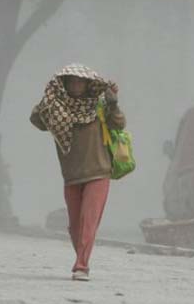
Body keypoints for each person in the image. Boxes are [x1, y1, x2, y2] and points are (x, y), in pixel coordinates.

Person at [30, 64, 126, 281]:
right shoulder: (57, 110)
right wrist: (48, 99)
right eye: (71, 81)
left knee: (88, 220)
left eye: (80, 81)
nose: (76, 85)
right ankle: (83, 258)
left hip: (99, 172)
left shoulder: (99, 106)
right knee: (75, 226)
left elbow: (119, 123)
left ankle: (81, 266)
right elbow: (36, 120)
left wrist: (113, 103)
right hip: (72, 175)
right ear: (64, 84)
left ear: (87, 84)